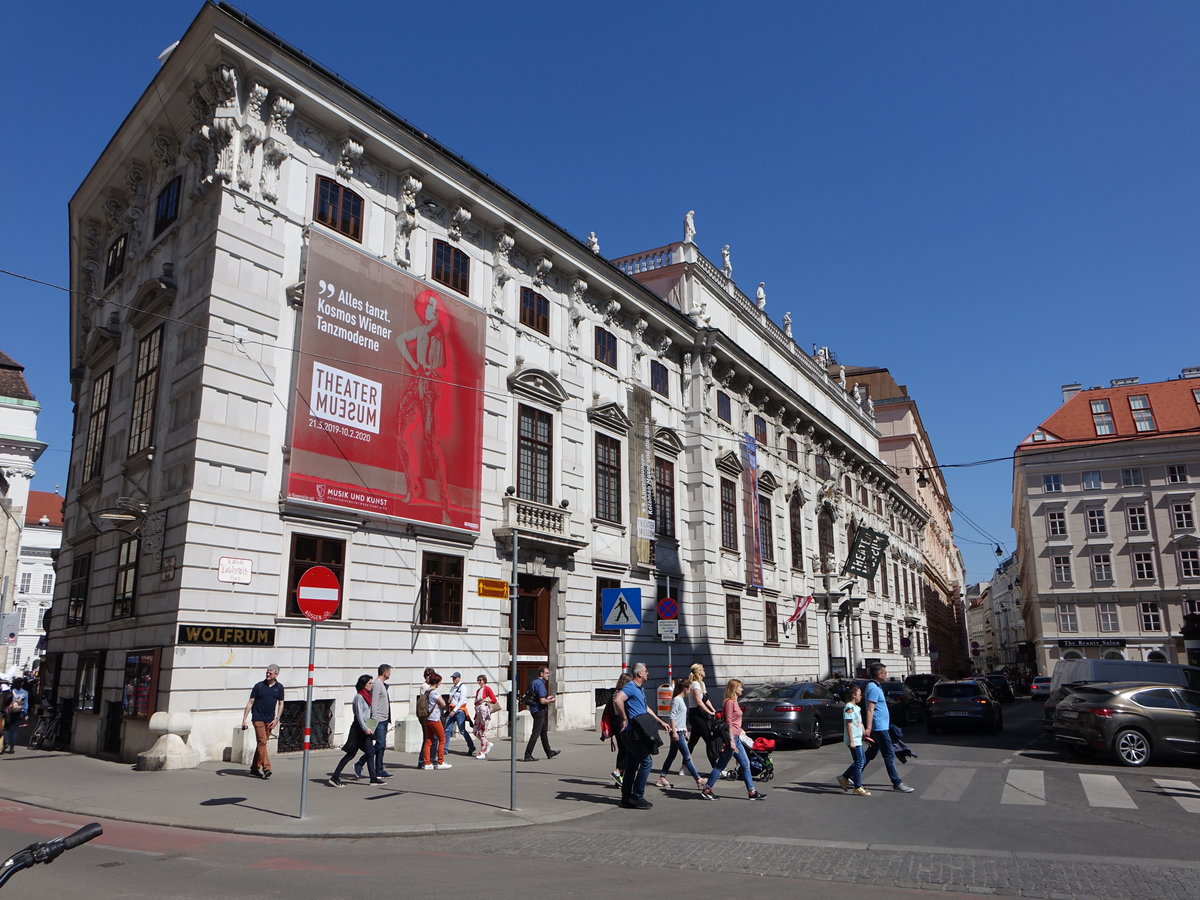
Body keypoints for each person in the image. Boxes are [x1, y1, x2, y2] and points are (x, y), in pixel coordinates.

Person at [843, 662, 914, 794]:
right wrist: (868, 728)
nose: (887, 675)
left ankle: (847, 776)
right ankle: (897, 782)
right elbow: (870, 710)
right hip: (878, 727)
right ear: (879, 674)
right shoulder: (873, 688)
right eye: (885, 673)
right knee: (889, 755)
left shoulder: (876, 686)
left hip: (881, 726)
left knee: (870, 754)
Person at [613, 662, 670, 809]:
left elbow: (645, 708)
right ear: (639, 673)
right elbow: (618, 700)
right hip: (632, 732)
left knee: (632, 765)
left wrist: (660, 722)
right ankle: (637, 796)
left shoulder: (640, 689)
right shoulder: (631, 687)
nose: (647, 673)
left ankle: (626, 798)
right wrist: (625, 719)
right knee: (646, 762)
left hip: (638, 732)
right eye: (646, 671)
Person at [701, 679, 766, 801]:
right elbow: (729, 722)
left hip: (736, 737)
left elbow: (734, 722)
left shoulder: (734, 702)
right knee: (724, 765)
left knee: (741, 764)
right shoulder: (729, 702)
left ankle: (751, 791)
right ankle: (707, 789)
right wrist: (731, 740)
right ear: (734, 689)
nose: (742, 689)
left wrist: (740, 730)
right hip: (732, 738)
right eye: (740, 687)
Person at [329, 674, 384, 786]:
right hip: (358, 730)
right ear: (363, 684)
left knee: (370, 753)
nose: (371, 685)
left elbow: (369, 714)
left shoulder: (367, 696)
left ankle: (373, 778)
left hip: (366, 729)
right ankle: (335, 777)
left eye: (371, 683)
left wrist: (371, 727)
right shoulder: (359, 697)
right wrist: (365, 728)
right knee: (350, 754)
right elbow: (359, 715)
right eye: (369, 683)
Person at [657, 678, 705, 790]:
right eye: (689, 688)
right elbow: (672, 717)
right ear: (685, 688)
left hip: (680, 731)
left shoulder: (681, 700)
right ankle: (698, 780)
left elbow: (680, 718)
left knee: (672, 755)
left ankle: (662, 778)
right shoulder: (677, 700)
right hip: (677, 732)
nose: (690, 691)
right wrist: (674, 732)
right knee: (687, 757)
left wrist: (685, 731)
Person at [241, 664, 283, 778]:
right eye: (267, 672)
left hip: (270, 720)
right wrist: (244, 720)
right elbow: (250, 702)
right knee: (262, 742)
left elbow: (281, 703)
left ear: (276, 674)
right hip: (258, 718)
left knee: (261, 744)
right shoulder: (259, 686)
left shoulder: (279, 687)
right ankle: (267, 768)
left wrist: (277, 719)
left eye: (270, 673)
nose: (268, 674)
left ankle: (254, 768)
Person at [356, 664, 392, 779]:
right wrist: (374, 721)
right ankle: (360, 763)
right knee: (379, 744)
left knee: (382, 746)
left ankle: (379, 770)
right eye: (389, 672)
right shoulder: (377, 684)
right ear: (385, 673)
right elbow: (374, 703)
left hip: (384, 719)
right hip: (378, 720)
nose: (390, 674)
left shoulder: (381, 684)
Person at [684, 662, 720, 768]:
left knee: (692, 742)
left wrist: (713, 710)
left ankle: (684, 766)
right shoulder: (695, 684)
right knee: (709, 740)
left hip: (701, 714)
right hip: (696, 715)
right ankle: (716, 768)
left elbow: (706, 699)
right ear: (699, 672)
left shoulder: (702, 684)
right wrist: (709, 712)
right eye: (703, 669)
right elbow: (699, 702)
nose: (705, 671)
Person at [838, 683, 870, 796]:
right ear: (853, 695)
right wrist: (851, 740)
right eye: (859, 694)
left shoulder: (857, 708)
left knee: (862, 760)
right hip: (853, 739)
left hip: (858, 738)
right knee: (859, 762)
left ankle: (844, 778)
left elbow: (859, 723)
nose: (861, 696)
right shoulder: (849, 708)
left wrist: (865, 734)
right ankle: (857, 786)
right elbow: (849, 725)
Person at [522, 666, 560, 761]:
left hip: (534, 710)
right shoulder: (540, 684)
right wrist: (551, 700)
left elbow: (537, 697)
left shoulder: (534, 682)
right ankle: (527, 755)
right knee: (536, 733)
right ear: (541, 674)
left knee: (543, 732)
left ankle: (549, 752)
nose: (548, 675)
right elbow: (542, 701)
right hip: (539, 711)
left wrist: (548, 698)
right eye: (546, 673)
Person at [601, 673, 632, 787]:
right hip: (620, 722)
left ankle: (620, 779)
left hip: (615, 721)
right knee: (627, 750)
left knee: (623, 749)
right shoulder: (621, 694)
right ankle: (618, 772)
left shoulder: (615, 693)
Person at [421, 672, 452, 769]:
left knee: (428, 740)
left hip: (427, 718)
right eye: (439, 682)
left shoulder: (427, 691)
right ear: (437, 682)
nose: (439, 684)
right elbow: (443, 703)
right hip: (434, 719)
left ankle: (427, 763)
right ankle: (440, 762)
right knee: (442, 739)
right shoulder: (434, 692)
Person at [443, 672, 476, 756]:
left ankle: (471, 746)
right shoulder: (453, 688)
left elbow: (461, 701)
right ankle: (445, 749)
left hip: (459, 711)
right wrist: (449, 702)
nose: (453, 679)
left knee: (462, 730)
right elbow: (451, 698)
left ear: (459, 678)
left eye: (455, 678)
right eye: (453, 678)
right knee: (447, 730)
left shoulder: (463, 687)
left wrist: (454, 711)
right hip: (451, 710)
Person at [472, 674, 498, 759]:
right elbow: (476, 702)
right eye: (478, 680)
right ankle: (487, 743)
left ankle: (482, 752)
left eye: (481, 680)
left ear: (484, 680)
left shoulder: (487, 689)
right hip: (478, 714)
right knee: (475, 732)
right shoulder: (478, 690)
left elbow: (494, 699)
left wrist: (485, 700)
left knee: (482, 733)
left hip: (484, 714)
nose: (479, 681)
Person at [2, 678, 27, 754]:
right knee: (15, 730)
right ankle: (12, 747)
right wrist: (25, 713)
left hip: (9, 712)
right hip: (19, 712)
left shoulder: (10, 692)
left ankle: (5, 742)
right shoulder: (25, 692)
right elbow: (26, 704)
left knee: (5, 728)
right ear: (21, 683)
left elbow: (5, 702)